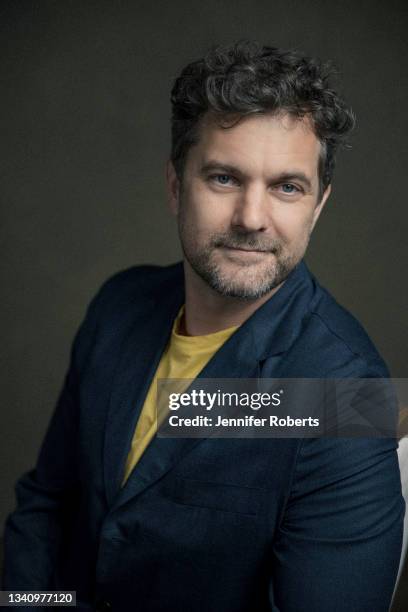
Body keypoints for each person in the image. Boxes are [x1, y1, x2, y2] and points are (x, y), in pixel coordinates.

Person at [2, 40, 405, 611]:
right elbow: (47, 505)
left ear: (317, 206)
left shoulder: (352, 397)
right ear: (175, 185)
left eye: (288, 187)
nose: (251, 217)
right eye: (223, 178)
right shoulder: (119, 305)